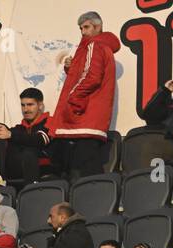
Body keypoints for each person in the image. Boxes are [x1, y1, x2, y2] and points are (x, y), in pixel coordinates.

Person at [48, 12, 120, 178]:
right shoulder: (101, 47)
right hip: (92, 113)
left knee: (82, 165)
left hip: (85, 112)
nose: (83, 32)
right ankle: (93, 196)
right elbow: (88, 73)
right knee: (87, 162)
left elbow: (92, 77)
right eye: (81, 28)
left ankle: (92, 197)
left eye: (86, 27)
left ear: (98, 27)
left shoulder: (95, 45)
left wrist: (72, 98)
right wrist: (71, 67)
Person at [0, 88, 56, 186]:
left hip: (41, 167)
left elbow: (40, 140)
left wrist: (11, 135)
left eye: (30, 105)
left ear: (40, 106)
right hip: (16, 169)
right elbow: (6, 137)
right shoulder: (19, 128)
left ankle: (31, 191)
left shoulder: (49, 121)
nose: (26, 109)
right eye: (23, 105)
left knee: (29, 151)